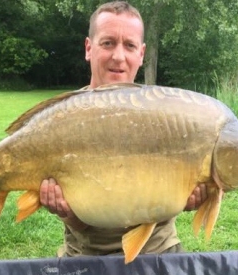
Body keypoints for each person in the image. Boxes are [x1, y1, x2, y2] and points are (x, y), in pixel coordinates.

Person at [39, 1, 208, 257]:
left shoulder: (166, 114)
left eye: (129, 46)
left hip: (159, 251)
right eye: (108, 43)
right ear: (88, 48)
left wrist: (193, 196)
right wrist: (66, 212)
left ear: (141, 54)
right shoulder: (63, 118)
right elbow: (82, 224)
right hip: (86, 254)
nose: (118, 56)